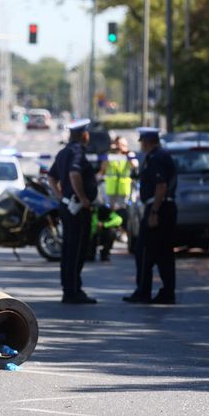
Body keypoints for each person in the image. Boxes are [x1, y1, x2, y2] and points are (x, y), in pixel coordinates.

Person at [123, 127, 177, 305]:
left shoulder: (156, 158)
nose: (142, 145)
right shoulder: (159, 155)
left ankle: (144, 291)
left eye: (142, 141)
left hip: (159, 208)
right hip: (164, 207)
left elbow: (160, 186)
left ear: (147, 141)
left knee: (144, 250)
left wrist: (154, 212)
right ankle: (166, 292)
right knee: (163, 253)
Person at [49, 118, 98, 304]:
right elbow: (74, 173)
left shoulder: (63, 152)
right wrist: (83, 197)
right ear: (84, 135)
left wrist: (61, 196)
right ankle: (73, 290)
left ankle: (69, 288)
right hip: (77, 208)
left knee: (69, 249)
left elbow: (51, 177)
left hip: (67, 205)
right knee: (77, 250)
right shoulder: (77, 151)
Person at [100, 136, 138, 236]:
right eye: (118, 144)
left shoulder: (129, 154)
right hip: (111, 189)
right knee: (111, 211)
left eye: (122, 145)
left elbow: (135, 165)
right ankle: (112, 231)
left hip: (124, 189)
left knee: (124, 212)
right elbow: (103, 168)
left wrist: (126, 154)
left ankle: (123, 232)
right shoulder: (109, 155)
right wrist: (110, 154)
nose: (119, 147)